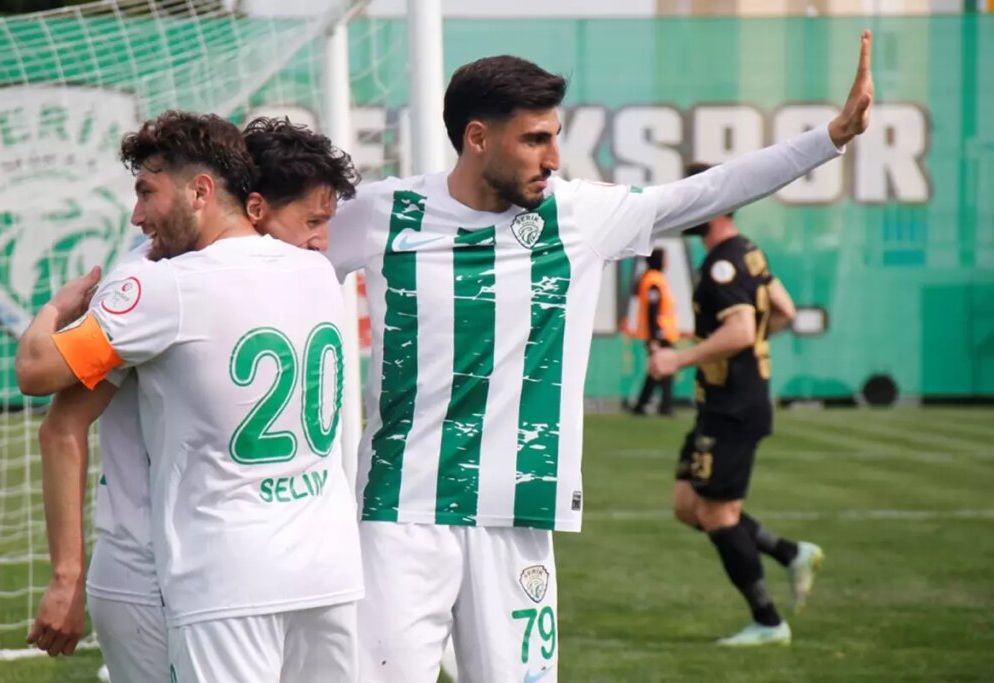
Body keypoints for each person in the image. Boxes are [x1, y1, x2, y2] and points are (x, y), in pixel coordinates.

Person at [325, 31, 873, 681]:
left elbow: (708, 191)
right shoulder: (384, 213)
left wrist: (831, 137)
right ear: (477, 138)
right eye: (535, 139)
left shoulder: (577, 216)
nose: (554, 157)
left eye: (555, 136)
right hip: (400, 515)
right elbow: (273, 262)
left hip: (518, 515)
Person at [15, 111, 362, 682]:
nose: (137, 215)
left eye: (146, 192)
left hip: (226, 575)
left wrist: (56, 308)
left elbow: (35, 372)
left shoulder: (160, 286)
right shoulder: (317, 273)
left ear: (201, 191)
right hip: (328, 568)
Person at [648, 162, 821, 646]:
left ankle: (769, 622)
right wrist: (728, 350)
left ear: (715, 204)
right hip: (725, 404)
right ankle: (790, 553)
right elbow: (783, 311)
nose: (684, 208)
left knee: (718, 515)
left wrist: (681, 359)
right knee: (689, 505)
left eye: (692, 198)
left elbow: (743, 330)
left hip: (733, 409)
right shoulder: (748, 251)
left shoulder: (723, 263)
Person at [627, 248, 679, 416]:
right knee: (666, 368)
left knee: (657, 370)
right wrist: (655, 337)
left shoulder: (655, 279)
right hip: (659, 333)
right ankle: (666, 406)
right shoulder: (653, 281)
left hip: (660, 332)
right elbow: (652, 310)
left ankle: (642, 405)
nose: (667, 262)